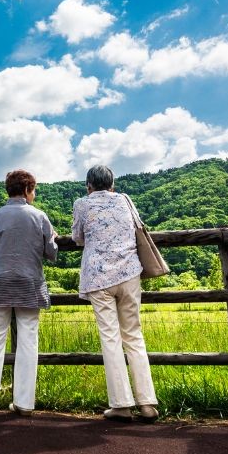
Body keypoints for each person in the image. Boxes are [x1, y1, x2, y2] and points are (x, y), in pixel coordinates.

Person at [0, 169, 58, 416]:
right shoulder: (39, 216)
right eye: (34, 190)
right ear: (27, 189)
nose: (34, 194)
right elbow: (51, 253)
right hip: (29, 283)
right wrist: (53, 238)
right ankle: (25, 403)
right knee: (29, 341)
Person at [72, 164, 159, 423]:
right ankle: (147, 403)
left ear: (88, 186)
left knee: (110, 338)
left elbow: (78, 237)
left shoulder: (82, 204)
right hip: (129, 273)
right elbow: (137, 227)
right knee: (134, 335)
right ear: (113, 185)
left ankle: (121, 405)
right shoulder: (125, 200)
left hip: (99, 277)